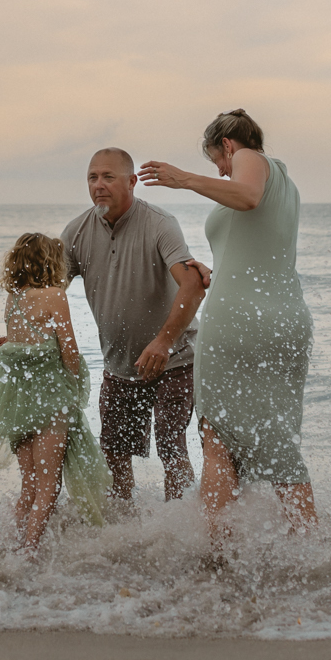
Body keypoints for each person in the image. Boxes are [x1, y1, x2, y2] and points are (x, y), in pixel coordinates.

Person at [141, 109, 317, 543]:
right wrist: (218, 275)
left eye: (217, 161)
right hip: (284, 319)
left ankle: (218, 551)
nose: (220, 172)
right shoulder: (288, 188)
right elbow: (257, 252)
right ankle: (311, 546)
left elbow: (247, 195)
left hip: (239, 322)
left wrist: (183, 179)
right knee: (277, 438)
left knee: (217, 435)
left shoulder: (252, 161)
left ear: (228, 145)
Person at [60, 148, 209, 504]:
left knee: (171, 449)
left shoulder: (159, 223)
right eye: (93, 178)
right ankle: (125, 536)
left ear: (131, 182)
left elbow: (192, 286)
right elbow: (47, 291)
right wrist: (17, 334)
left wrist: (162, 342)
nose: (99, 185)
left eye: (108, 177)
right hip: (118, 366)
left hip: (174, 360)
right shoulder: (77, 231)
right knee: (113, 454)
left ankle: (179, 533)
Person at [0, 233, 110, 549]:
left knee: (29, 483)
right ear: (51, 263)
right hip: (49, 400)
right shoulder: (55, 295)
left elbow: (18, 343)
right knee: (49, 486)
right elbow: (69, 350)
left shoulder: (13, 298)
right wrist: (76, 383)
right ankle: (30, 552)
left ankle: (17, 543)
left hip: (16, 402)